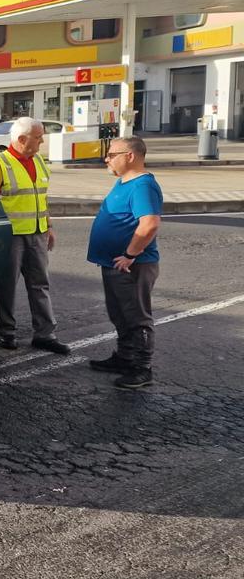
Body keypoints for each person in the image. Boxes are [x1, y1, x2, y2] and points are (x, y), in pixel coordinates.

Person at [0, 117, 70, 354]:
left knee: (40, 284)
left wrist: (49, 226)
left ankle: (45, 334)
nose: (42, 141)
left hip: (37, 232)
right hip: (11, 236)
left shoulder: (39, 162)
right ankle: (7, 332)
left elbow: (41, 198)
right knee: (7, 285)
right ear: (22, 139)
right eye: (38, 137)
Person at [86, 135, 162, 390]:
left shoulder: (142, 185)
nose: (107, 159)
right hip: (115, 263)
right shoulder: (124, 182)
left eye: (112, 154)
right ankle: (125, 357)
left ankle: (142, 368)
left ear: (130, 156)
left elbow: (149, 223)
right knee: (119, 314)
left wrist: (130, 254)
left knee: (136, 317)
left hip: (132, 265)